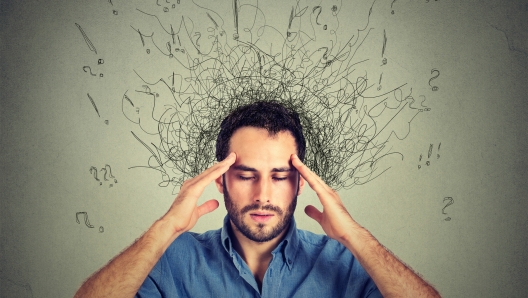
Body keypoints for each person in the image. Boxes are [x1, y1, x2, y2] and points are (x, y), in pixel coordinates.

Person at [74, 101, 440, 297]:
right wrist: (166, 227)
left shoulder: (346, 264)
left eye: (280, 177)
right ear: (220, 181)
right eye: (246, 175)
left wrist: (355, 237)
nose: (263, 195)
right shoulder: (173, 262)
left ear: (301, 183)